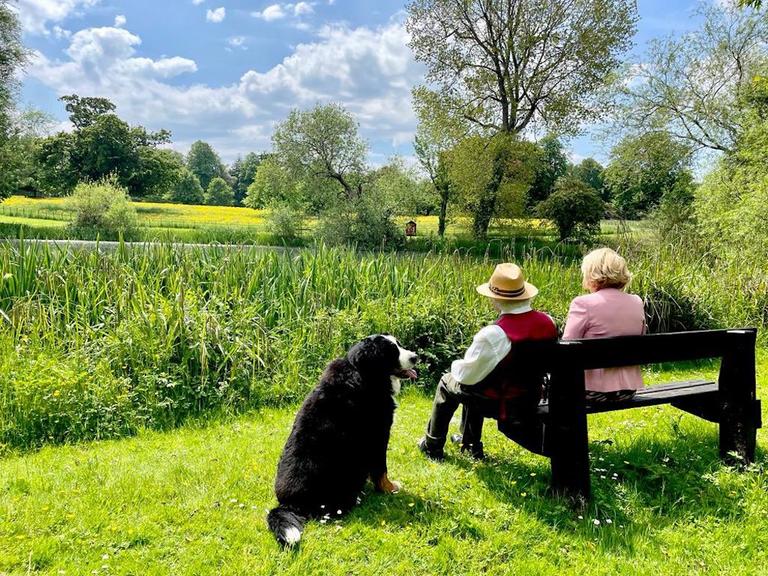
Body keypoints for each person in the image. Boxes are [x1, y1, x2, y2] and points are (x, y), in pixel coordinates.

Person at [417, 263, 558, 460]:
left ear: (495, 300)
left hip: (501, 403)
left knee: (448, 382)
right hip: (529, 396)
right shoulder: (548, 321)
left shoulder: (494, 334)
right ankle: (470, 444)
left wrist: (456, 364)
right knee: (481, 379)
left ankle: (432, 445)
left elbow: (466, 376)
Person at [562, 247, 646, 403]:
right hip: (627, 391)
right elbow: (641, 336)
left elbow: (566, 348)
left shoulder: (583, 303)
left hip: (592, 391)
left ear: (591, 274)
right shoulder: (637, 301)